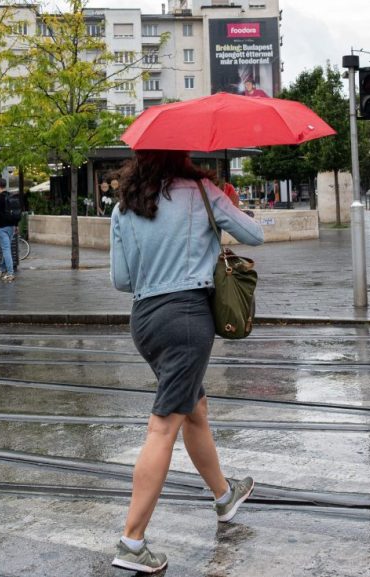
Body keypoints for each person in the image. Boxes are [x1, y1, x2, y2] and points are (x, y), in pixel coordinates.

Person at [109, 150, 263, 574]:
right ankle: (131, 542)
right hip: (189, 318)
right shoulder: (202, 191)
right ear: (184, 156)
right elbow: (255, 235)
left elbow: (121, 280)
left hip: (145, 319)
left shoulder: (125, 205)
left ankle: (224, 495)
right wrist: (227, 205)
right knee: (163, 426)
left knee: (194, 407)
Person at [0, 178, 23, 282]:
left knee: (6, 250)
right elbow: (16, 211)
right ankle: (2, 269)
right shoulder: (11, 195)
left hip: (2, 227)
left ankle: (10, 273)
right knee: (7, 248)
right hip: (11, 227)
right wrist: (16, 225)